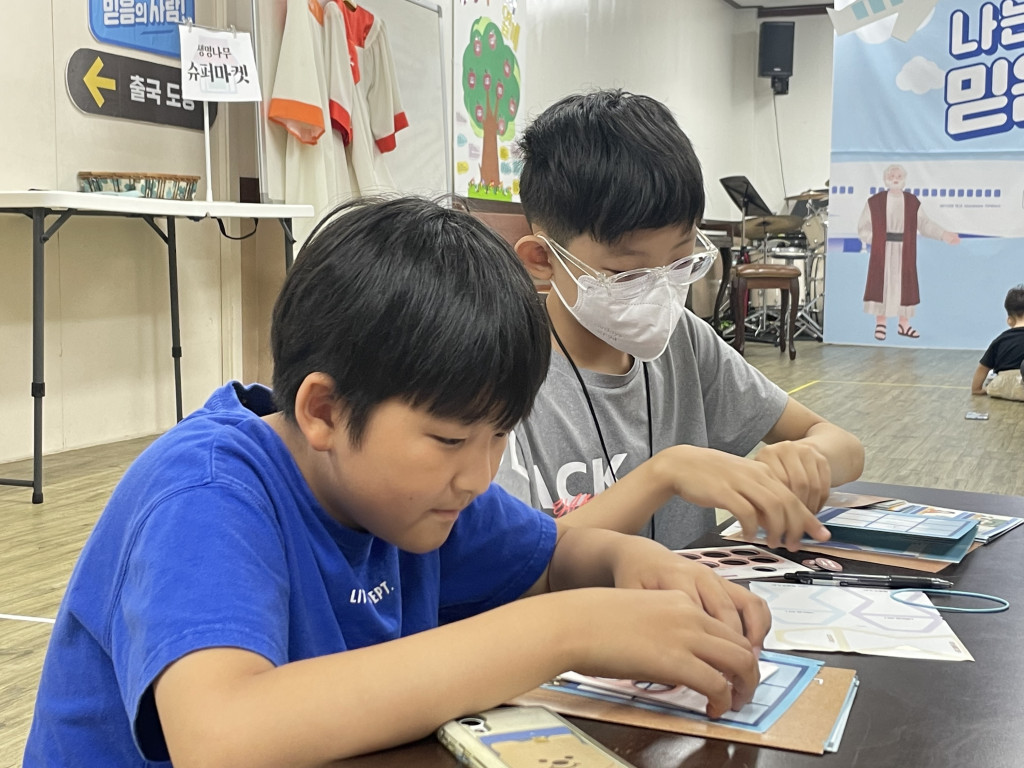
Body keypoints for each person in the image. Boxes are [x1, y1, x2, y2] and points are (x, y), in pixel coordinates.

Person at [23, 197, 771, 768]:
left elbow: (554, 555)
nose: (480, 474)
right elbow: (222, 737)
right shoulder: (208, 493)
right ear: (323, 410)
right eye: (450, 439)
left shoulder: (413, 494)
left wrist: (636, 564)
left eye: (501, 435)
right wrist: (568, 630)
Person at [494, 90, 864, 551]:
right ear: (543, 259)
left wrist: (806, 458)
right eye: (627, 273)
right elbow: (513, 559)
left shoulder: (685, 342)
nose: (659, 293)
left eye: (679, 262)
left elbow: (845, 447)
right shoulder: (501, 373)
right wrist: (663, 475)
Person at [857, 164, 960, 341]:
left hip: (905, 249)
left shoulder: (912, 202)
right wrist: (875, 239)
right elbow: (863, 227)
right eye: (892, 176)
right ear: (886, 179)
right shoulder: (874, 202)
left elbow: (925, 224)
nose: (895, 179)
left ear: (904, 179)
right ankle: (881, 322)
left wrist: (943, 235)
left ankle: (903, 324)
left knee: (904, 285)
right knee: (881, 283)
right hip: (883, 250)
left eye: (899, 176)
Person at [971, 284, 1024, 401]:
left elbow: (982, 368)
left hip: (1003, 388)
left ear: (1009, 320)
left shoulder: (1000, 340)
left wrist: (976, 389)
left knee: (994, 378)